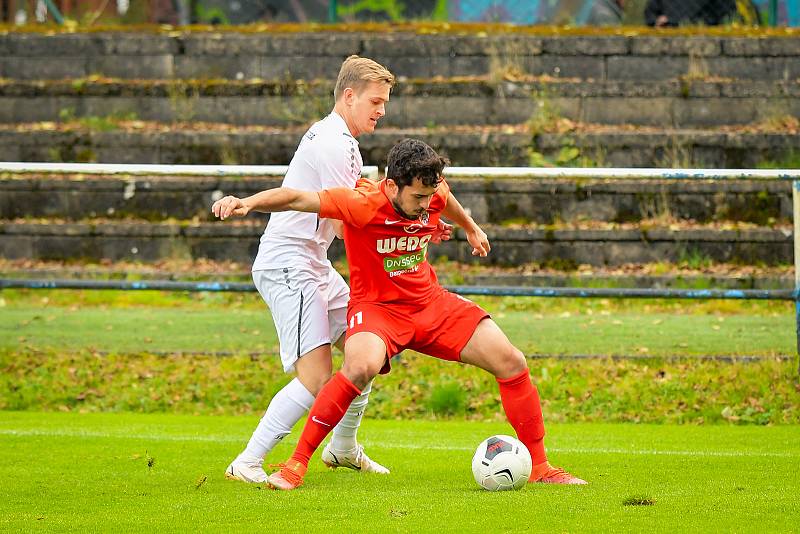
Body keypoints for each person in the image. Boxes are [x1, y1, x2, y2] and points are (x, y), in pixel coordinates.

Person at [212, 138, 587, 490]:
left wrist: (471, 229)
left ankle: (540, 467)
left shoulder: (432, 191)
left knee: (511, 360)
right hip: (377, 311)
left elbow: (445, 198)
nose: (426, 204)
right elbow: (295, 197)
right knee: (360, 367)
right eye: (418, 197)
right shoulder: (361, 203)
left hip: (429, 305)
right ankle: (296, 464)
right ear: (392, 187)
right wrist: (248, 202)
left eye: (429, 195)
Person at [222, 55, 396, 483]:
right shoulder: (333, 143)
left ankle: (342, 449)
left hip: (313, 263)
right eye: (375, 101)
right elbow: (345, 220)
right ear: (349, 96)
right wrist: (400, 237)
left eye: (385, 103)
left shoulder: (344, 142)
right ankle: (246, 462)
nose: (381, 110)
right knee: (318, 377)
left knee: (365, 352)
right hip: (289, 264)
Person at [645, 0, 736, 26]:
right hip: (665, 40)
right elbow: (651, 12)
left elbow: (726, 13)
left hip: (703, 41)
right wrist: (656, 21)